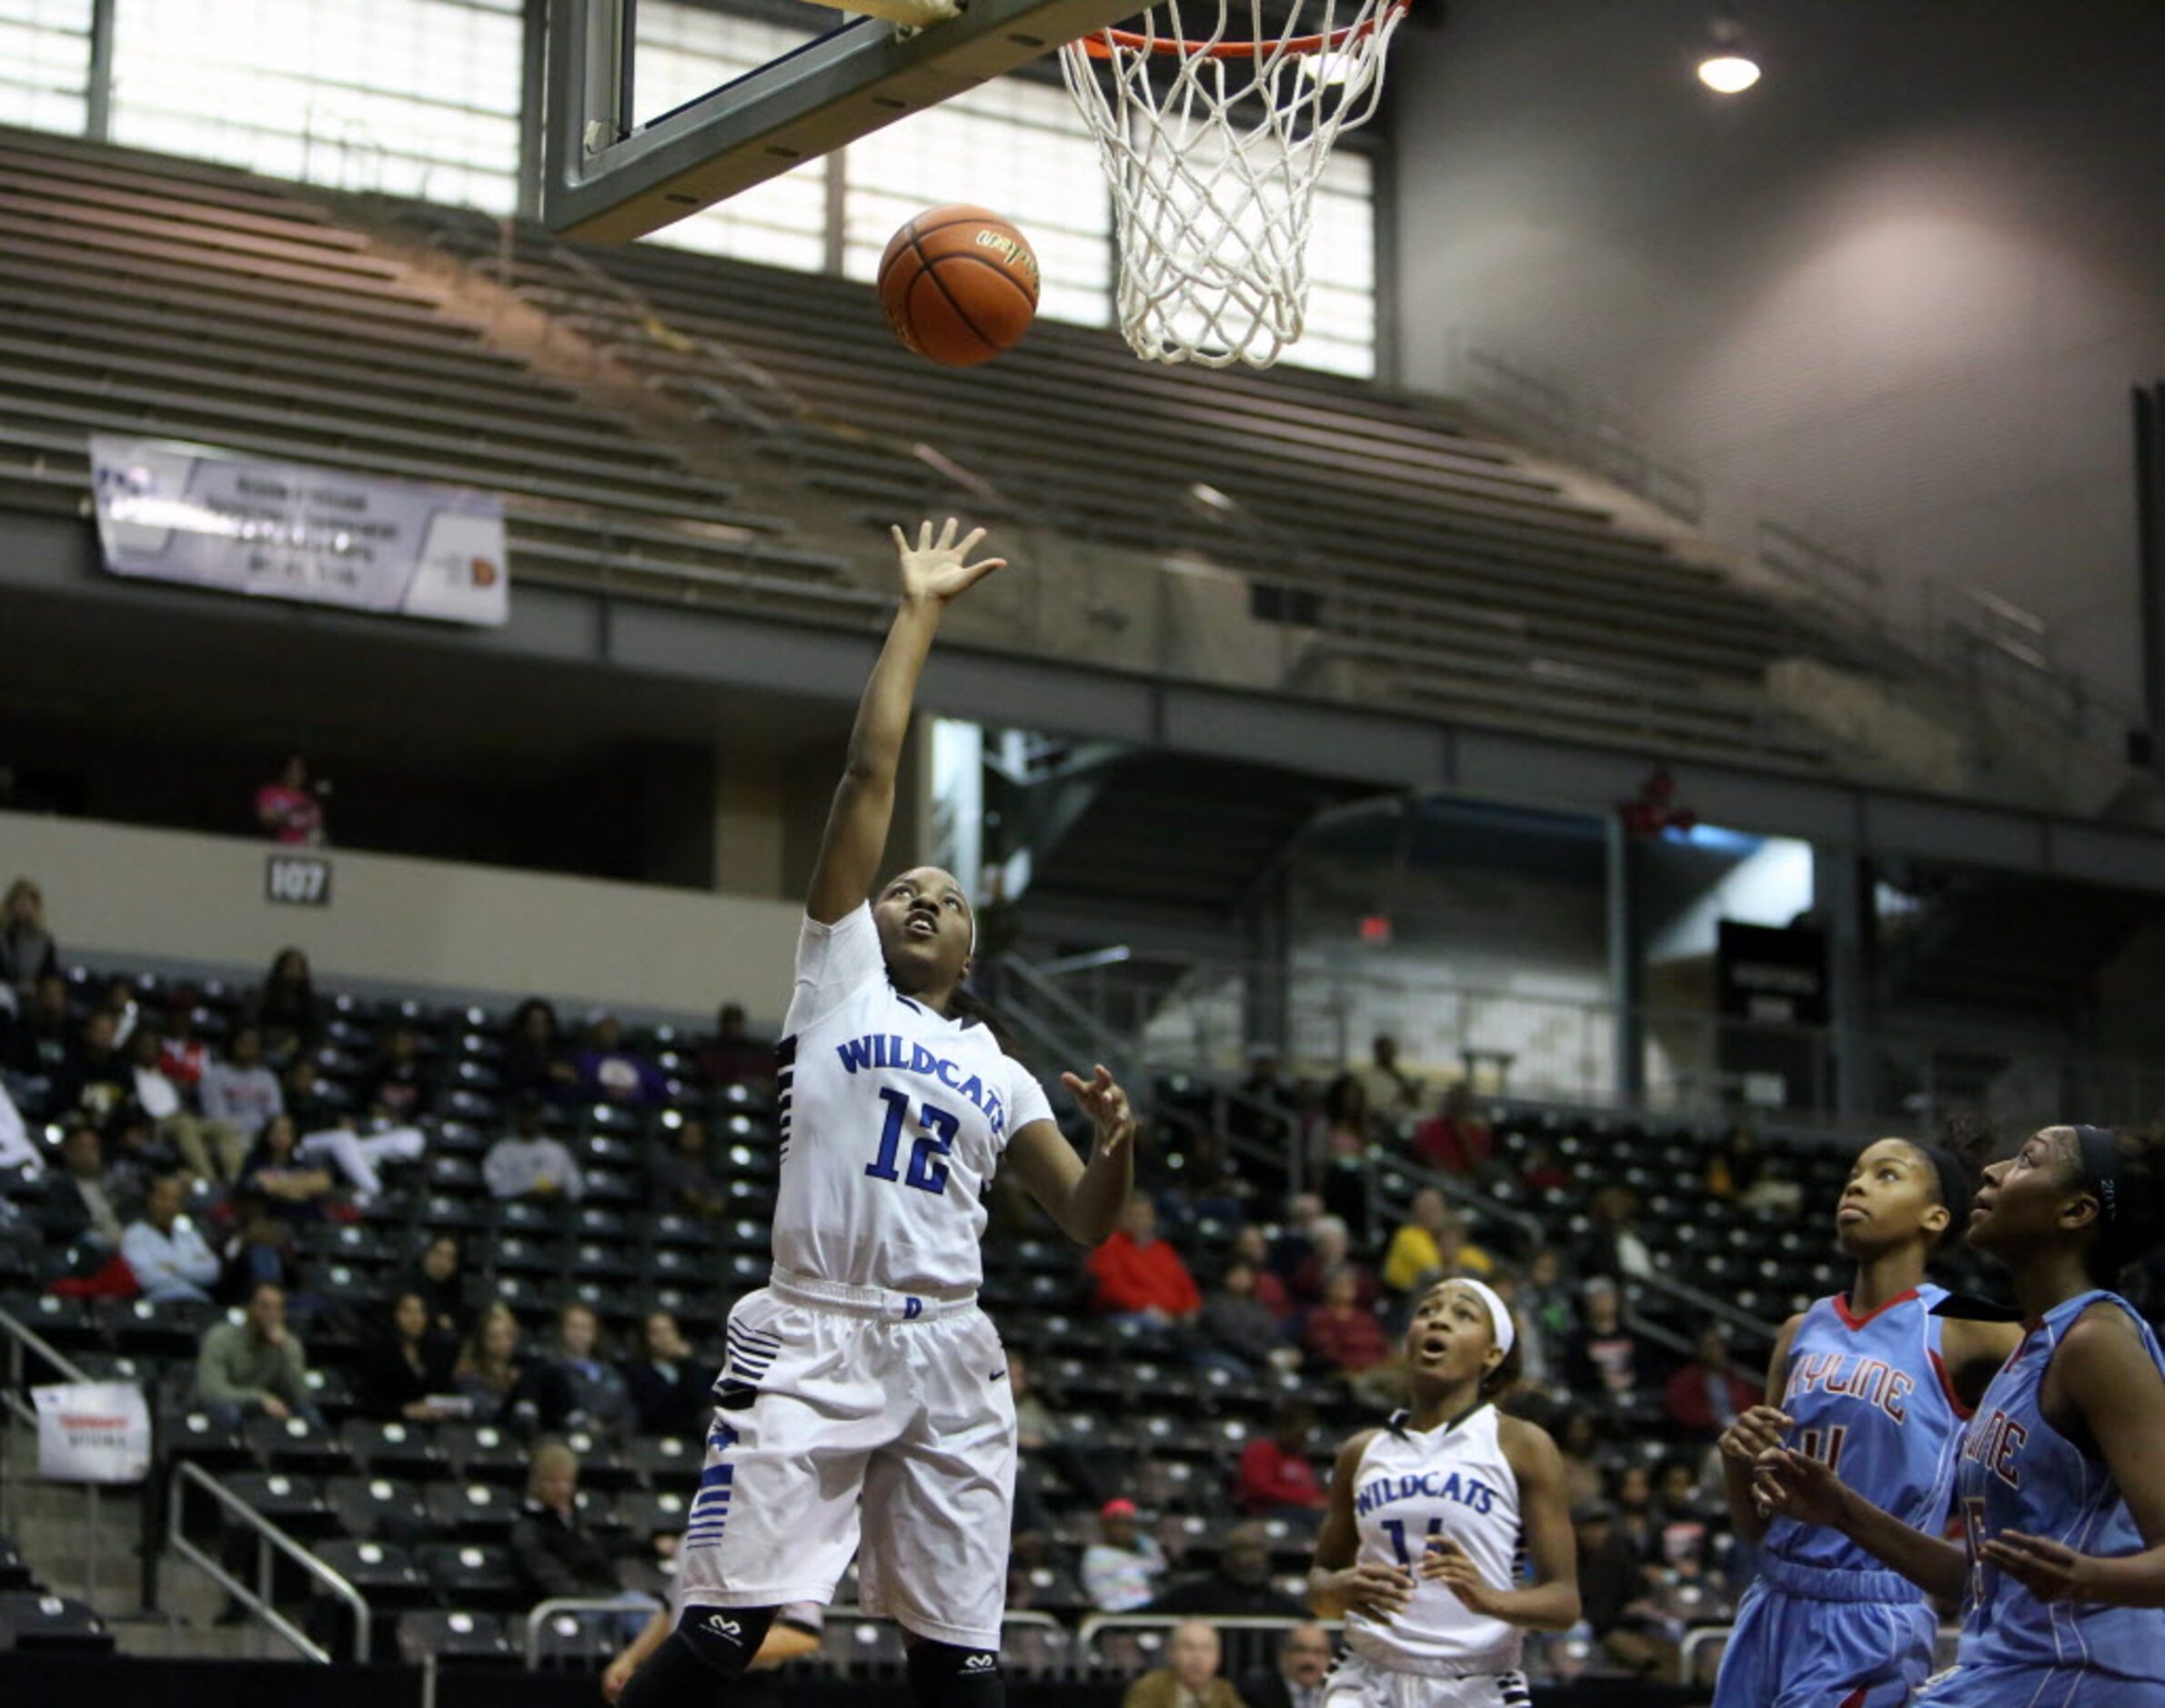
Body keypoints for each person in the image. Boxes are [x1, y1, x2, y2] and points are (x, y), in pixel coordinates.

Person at [616, 520, 1139, 1708]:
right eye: (904, 884)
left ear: (970, 942)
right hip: (812, 1330)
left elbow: (1087, 1221)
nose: (918, 896)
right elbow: (870, 774)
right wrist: (919, 612)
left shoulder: (999, 1066)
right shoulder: (836, 976)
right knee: (722, 1630)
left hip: (950, 1345)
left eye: (943, 896)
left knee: (961, 1656)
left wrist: (1119, 1148)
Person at [1755, 1121, 2165, 1706]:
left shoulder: (2096, 1342)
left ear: (2076, 1212)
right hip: (2012, 1667)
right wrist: (1842, 1508)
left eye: (2027, 1159)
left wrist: (2090, 1578)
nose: (1995, 1170)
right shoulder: (2032, 1352)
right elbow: (1972, 1581)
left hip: (2084, 1674)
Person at [1709, 1131, 2021, 1708]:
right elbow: (1762, 1525)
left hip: (1872, 1614)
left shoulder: (1962, 1326)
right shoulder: (1800, 1331)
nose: (1856, 1184)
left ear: (1935, 1217)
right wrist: (1736, 1463)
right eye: (1855, 1173)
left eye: (1887, 1175)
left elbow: (2081, 1357)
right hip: (1770, 1601)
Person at [1309, 1278, 1580, 1707]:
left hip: (1475, 1682)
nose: (1439, 1319)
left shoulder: (1521, 1445)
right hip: (1368, 1678)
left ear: (1492, 1354)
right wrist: (1337, 1590)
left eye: (1463, 1314)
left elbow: (1564, 1603)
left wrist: (1487, 1599)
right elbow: (1320, 1585)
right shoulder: (1362, 1451)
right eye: (1427, 1310)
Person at [607, 1602, 824, 1707]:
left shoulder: (774, 1540)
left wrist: (719, 1644)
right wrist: (630, 1658)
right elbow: (672, 1608)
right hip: (682, 1676)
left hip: (742, 1688)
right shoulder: (693, 1534)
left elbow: (804, 1634)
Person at [193, 1281, 325, 1430]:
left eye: (278, 1308)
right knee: (228, 1413)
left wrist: (285, 1351)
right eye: (264, 1307)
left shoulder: (289, 1345)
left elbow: (302, 1397)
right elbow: (211, 1391)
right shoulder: (220, 1338)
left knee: (309, 1414)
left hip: (267, 1408)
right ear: (249, 1308)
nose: (271, 1315)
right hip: (225, 1406)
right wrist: (260, 1398)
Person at [510, 1440, 629, 1603]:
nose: (563, 1489)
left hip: (609, 1598)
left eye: (567, 1481)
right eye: (553, 1482)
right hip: (582, 1607)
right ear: (536, 1483)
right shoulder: (528, 1531)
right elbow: (557, 1584)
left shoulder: (572, 1517)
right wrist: (603, 1602)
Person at [130, 1027, 247, 1183]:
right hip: (156, 1124)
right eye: (145, 1046)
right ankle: (209, 1179)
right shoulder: (130, 1074)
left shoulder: (165, 1074)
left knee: (225, 1128)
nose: (148, 1050)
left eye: (152, 1046)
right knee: (185, 1125)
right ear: (135, 1048)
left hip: (182, 1117)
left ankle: (235, 1181)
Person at [1087, 1193, 1202, 1327]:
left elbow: (1186, 1285)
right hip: (1130, 1316)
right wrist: (1148, 1308)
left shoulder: (1164, 1249)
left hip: (1172, 1318)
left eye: (1146, 1215)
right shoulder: (1109, 1247)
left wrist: (1191, 1307)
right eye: (1135, 1215)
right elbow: (1112, 1290)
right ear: (1122, 1218)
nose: (1141, 1221)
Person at [358, 1291, 458, 1422]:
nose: (416, 1318)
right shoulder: (378, 1351)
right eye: (408, 1312)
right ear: (394, 1315)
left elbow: (446, 1390)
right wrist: (406, 1410)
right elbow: (369, 1400)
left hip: (432, 1424)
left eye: (420, 1312)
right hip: (389, 1423)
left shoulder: (435, 1352)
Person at [122, 1174, 221, 1302]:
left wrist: (174, 1267)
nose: (169, 1206)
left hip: (198, 1300)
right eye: (163, 1198)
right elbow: (146, 1278)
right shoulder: (134, 1234)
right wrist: (192, 1267)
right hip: (160, 1302)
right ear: (151, 1199)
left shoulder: (187, 1232)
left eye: (175, 1200)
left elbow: (212, 1271)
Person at [1381, 1190, 1494, 1301]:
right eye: (1443, 1241)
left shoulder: (1473, 1272)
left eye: (1454, 1241)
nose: (1449, 1245)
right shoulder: (1425, 1276)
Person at [543, 1301, 634, 1436]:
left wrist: (610, 1428)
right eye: (573, 1327)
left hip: (610, 1438)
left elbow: (626, 1410)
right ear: (562, 1330)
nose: (579, 1334)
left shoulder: (610, 1372)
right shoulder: (550, 1369)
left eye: (586, 1328)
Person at [455, 1301, 549, 1432]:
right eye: (494, 1337)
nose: (502, 1343)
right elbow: (483, 1410)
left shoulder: (522, 1370)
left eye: (508, 1336)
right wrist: (512, 1391)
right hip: (487, 1431)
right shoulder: (469, 1374)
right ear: (482, 1340)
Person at [1198, 1257, 1297, 1377]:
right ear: (1225, 1276)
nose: (1243, 1279)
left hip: (1257, 1357)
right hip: (1224, 1353)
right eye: (1238, 1274)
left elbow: (1271, 1332)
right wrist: (1265, 1354)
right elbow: (1230, 1337)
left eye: (1247, 1275)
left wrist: (1287, 1349)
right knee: (1243, 1372)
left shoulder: (1256, 1305)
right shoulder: (1215, 1302)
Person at [38, 1122, 128, 1252]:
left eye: (94, 1147)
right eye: (83, 1147)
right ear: (68, 1152)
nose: (91, 1154)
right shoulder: (59, 1184)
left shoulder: (109, 1182)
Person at [1661, 1324, 1758, 1438]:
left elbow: (1748, 1406)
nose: (1714, 1351)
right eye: (1709, 1346)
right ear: (1700, 1349)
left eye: (1718, 1346)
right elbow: (1684, 1412)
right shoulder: (1684, 1380)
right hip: (1703, 1436)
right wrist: (1715, 1421)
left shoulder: (1734, 1377)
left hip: (1738, 1432)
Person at [1234, 1402, 1327, 1520]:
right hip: (1268, 1512)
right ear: (1284, 1428)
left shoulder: (1298, 1457)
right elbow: (1262, 1490)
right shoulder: (1261, 1451)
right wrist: (1307, 1500)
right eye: (1300, 1434)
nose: (1304, 1440)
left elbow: (1310, 1490)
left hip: (1301, 1510)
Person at [1121, 1620, 1244, 1708]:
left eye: (1206, 1648)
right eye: (1189, 1647)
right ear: (1172, 1654)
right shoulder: (1148, 1690)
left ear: (1218, 1657)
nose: (1198, 1657)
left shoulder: (1223, 1690)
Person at [624, 1310, 708, 1438]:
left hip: (692, 1436)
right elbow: (654, 1408)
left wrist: (688, 1362)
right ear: (646, 1337)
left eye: (668, 1331)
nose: (663, 1338)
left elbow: (704, 1399)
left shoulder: (689, 1367)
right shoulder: (638, 1370)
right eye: (656, 1332)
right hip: (655, 1435)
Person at [484, 1100, 586, 1201]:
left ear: (540, 1116)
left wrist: (559, 1191)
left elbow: (575, 1188)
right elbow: (495, 1187)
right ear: (517, 1116)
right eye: (524, 1112)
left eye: (533, 1112)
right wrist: (528, 1194)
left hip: (552, 1210)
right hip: (515, 1207)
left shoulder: (557, 1150)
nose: (529, 1118)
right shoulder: (501, 1150)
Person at [199, 1025, 285, 1146]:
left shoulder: (267, 1078)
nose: (249, 1049)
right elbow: (217, 1119)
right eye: (244, 1043)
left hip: (261, 1140)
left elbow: (275, 1116)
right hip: (227, 1138)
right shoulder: (215, 1076)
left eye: (253, 1044)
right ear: (232, 1044)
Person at [1082, 1497, 1168, 1613]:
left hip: (1144, 1611)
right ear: (1106, 1525)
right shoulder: (1096, 1554)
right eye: (1120, 1523)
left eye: (1130, 1523)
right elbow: (1101, 1596)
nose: (1125, 1529)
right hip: (1114, 1613)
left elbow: (1160, 1566)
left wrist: (1141, 1539)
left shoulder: (1137, 1555)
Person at [1304, 1269, 1391, 1378]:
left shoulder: (1365, 1318)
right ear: (1327, 1288)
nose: (1346, 1288)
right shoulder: (1320, 1318)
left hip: (1380, 1372)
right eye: (1340, 1284)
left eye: (1350, 1284)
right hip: (1345, 1376)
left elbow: (1384, 1349)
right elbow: (1329, 1356)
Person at [574, 1014, 670, 1108]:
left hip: (636, 1109)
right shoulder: (585, 1058)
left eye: (613, 1030)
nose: (610, 1034)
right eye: (605, 1029)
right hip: (598, 1104)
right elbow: (583, 1082)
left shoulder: (633, 1060)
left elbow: (657, 1084)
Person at [1564, 1277, 1638, 1397]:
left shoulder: (1632, 1334)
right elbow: (1575, 1374)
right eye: (1599, 1298)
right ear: (1588, 1303)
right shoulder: (1578, 1338)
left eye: (1608, 1297)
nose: (1605, 1302)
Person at [248, 948, 322, 1064]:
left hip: (298, 1051)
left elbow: (316, 1032)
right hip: (264, 1046)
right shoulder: (262, 996)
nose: (293, 972)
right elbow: (250, 1023)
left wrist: (296, 1041)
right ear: (279, 969)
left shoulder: (312, 1002)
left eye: (298, 968)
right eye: (290, 967)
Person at [1235, 1622, 1334, 1708]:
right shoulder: (1256, 1693)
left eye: (1318, 1652)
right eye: (1300, 1650)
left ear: (1329, 1658)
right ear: (1283, 1654)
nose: (1309, 1659)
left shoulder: (1340, 1694)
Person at [501, 998, 579, 1104]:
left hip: (554, 1102)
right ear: (523, 1026)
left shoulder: (559, 1049)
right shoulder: (513, 1049)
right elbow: (514, 1075)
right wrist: (547, 1071)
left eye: (543, 1024)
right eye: (533, 1024)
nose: (538, 1029)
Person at [651, 1117, 728, 1220]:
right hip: (669, 1218)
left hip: (699, 1224)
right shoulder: (667, 1165)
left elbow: (718, 1202)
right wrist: (703, 1202)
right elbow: (688, 1196)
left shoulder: (709, 1169)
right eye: (689, 1134)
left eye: (696, 1134)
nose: (692, 1138)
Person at [1411, 1083, 1493, 1178]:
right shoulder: (1431, 1128)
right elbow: (1427, 1157)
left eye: (1463, 1100)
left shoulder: (1478, 1132)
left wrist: (1463, 1135)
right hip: (1436, 1179)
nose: (1458, 1104)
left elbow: (1479, 1164)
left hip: (1467, 1182)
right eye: (1455, 1099)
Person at [0, 878, 59, 1006]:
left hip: (34, 994)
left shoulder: (43, 941)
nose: (23, 906)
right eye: (19, 901)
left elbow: (49, 972)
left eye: (27, 902)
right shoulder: (3, 936)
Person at [362, 1023, 433, 1122]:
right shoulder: (377, 1071)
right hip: (379, 1124)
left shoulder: (424, 1075)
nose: (399, 1048)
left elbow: (426, 1110)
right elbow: (365, 1101)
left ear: (413, 1045)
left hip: (409, 1126)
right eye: (396, 1042)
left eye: (403, 1043)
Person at [697, 1002, 772, 1090]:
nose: (733, 1026)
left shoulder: (755, 1051)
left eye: (736, 1022)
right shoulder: (713, 1051)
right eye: (729, 1022)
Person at [256, 754, 326, 846]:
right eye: (291, 769)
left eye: (299, 770)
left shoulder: (309, 801)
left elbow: (316, 828)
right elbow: (265, 817)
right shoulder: (269, 792)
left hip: (301, 849)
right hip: (273, 845)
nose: (294, 774)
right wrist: (293, 811)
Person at [1351, 1034, 1421, 1124]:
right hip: (1379, 1124)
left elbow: (1414, 1104)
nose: (1390, 1054)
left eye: (1392, 1051)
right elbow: (1370, 1108)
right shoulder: (1366, 1077)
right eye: (1386, 1051)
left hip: (1402, 1122)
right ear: (1377, 1052)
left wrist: (1411, 1093)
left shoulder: (1399, 1076)